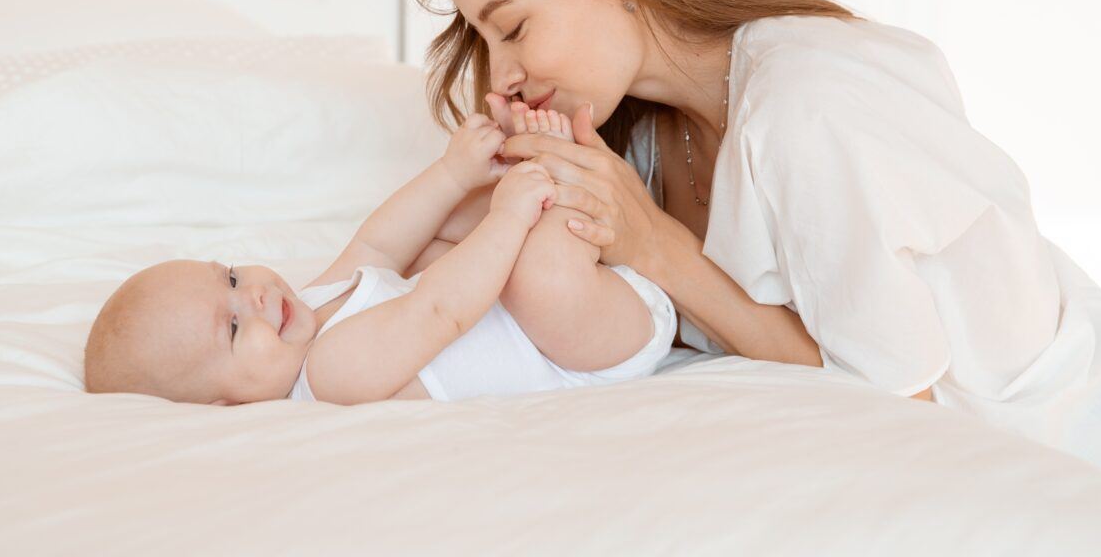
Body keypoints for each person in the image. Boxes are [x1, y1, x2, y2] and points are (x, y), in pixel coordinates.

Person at [358, 0, 1101, 466]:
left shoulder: (808, 108)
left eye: (513, 27)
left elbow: (904, 407)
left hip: (1050, 434)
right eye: (485, 40)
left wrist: (658, 251)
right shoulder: (644, 138)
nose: (501, 76)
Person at [83, 106, 676, 405]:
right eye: (234, 326)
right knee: (530, 272)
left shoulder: (309, 309)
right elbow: (438, 311)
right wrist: (508, 216)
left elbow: (380, 244)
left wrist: (451, 174)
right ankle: (561, 177)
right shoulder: (329, 371)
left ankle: (552, 171)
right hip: (586, 352)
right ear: (225, 404)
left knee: (445, 230)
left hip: (565, 316)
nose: (255, 296)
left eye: (232, 277)